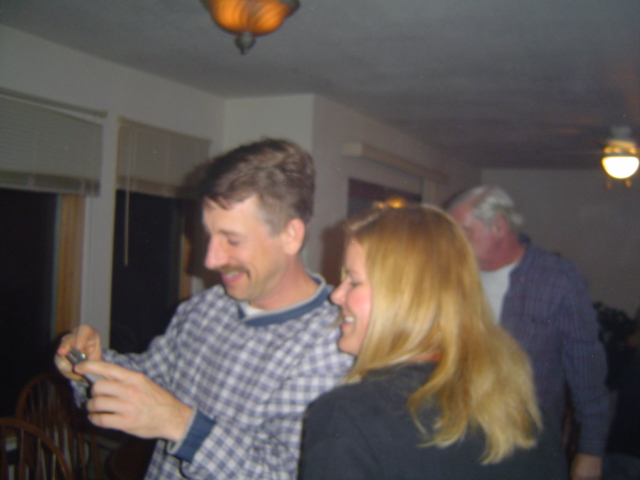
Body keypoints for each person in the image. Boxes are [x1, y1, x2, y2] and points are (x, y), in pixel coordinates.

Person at [54, 139, 352, 480]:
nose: (210, 260)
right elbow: (152, 380)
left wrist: (181, 424)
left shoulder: (334, 342)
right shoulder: (205, 307)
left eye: (232, 239)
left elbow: (286, 473)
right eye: (209, 235)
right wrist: (91, 366)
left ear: (290, 235)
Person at [300, 205, 566, 480]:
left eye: (353, 282)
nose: (336, 296)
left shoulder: (350, 416)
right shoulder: (523, 408)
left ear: (405, 298)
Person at [448, 185, 609, 480]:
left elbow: (587, 372)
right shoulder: (452, 277)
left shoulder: (558, 280)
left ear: (499, 226)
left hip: (527, 445)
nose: (456, 242)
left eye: (466, 231)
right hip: (459, 436)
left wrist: (591, 451)